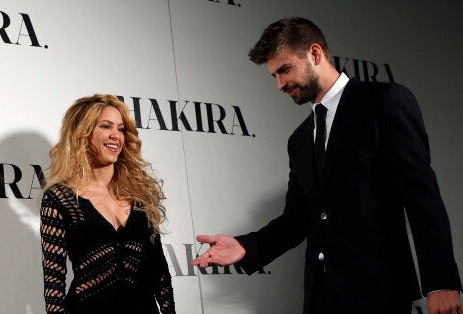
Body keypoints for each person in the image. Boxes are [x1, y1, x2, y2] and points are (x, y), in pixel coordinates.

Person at [192, 17, 462, 314]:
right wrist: (247, 246)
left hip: (379, 294)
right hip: (321, 299)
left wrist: (441, 283)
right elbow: (298, 219)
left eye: (285, 70)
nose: (281, 84)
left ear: (315, 54)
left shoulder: (385, 102)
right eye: (274, 76)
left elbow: (422, 197)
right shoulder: (299, 139)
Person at [40, 94, 175, 314]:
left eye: (120, 129)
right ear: (82, 133)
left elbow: (158, 269)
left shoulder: (139, 194)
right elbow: (54, 284)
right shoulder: (60, 198)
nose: (116, 136)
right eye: (106, 126)